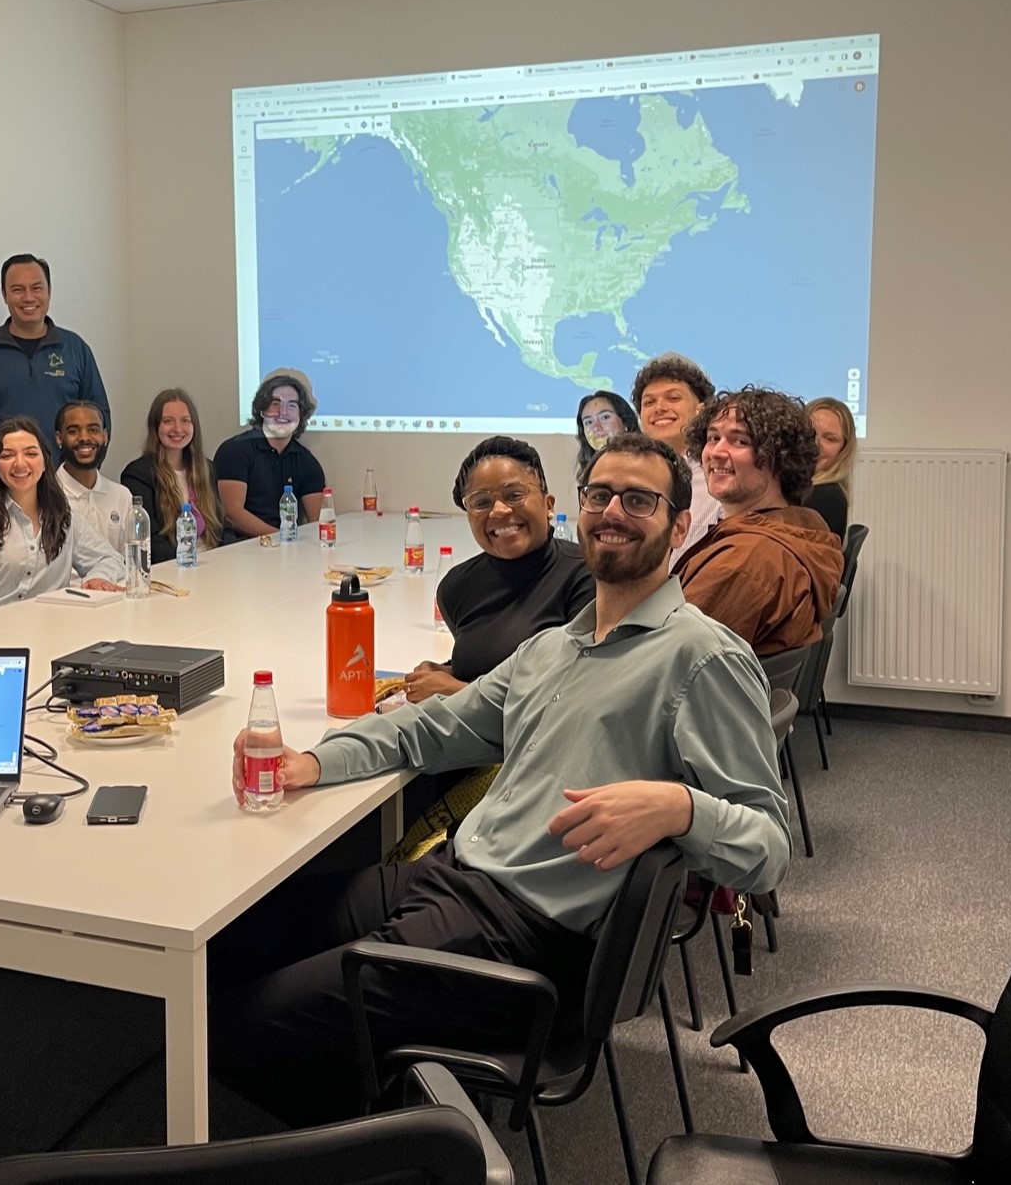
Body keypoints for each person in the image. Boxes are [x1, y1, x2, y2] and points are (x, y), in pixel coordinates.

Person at [210, 432, 790, 1129]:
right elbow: (430, 729)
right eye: (600, 495)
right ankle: (369, 1094)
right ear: (576, 509)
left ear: (676, 524)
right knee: (232, 941)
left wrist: (679, 807)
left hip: (521, 934)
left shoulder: (701, 658)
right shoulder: (554, 648)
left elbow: (765, 850)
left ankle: (391, 1149)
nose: (613, 510)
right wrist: (312, 760)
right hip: (453, 878)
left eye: (639, 499)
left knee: (237, 1028)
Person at [408, 437, 596, 704]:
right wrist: (446, 671)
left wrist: (455, 690)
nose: (499, 510)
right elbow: (489, 662)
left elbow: (573, 697)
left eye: (514, 495)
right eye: (481, 502)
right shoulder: (456, 588)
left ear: (549, 505)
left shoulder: (585, 575)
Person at [674, 387, 845, 656]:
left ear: (781, 459)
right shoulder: (803, 526)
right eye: (713, 437)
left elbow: (669, 660)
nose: (716, 452)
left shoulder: (742, 564)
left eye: (740, 441)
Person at [0, 417, 126, 621]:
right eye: (7, 455)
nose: (20, 463)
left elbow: (111, 559)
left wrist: (98, 577)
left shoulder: (65, 518)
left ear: (44, 462)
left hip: (49, 634)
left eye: (31, 453)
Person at [0, 254, 110, 448]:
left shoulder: (75, 348)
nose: (28, 297)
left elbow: (99, 417)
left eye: (36, 288)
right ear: (4, 294)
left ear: (49, 291)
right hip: (4, 473)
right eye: (18, 290)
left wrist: (83, 471)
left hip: (64, 476)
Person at [214, 367, 330, 539]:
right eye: (275, 404)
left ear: (301, 414)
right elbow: (232, 514)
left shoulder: (307, 461)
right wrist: (281, 537)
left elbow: (318, 521)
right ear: (262, 410)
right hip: (241, 549)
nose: (283, 412)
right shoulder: (234, 451)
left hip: (289, 549)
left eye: (291, 405)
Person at [631, 353, 719, 566]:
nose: (659, 408)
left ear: (702, 410)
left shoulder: (719, 476)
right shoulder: (632, 475)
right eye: (649, 402)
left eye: (673, 398)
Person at [121, 388, 225, 564]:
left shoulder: (206, 468)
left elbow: (221, 528)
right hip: (173, 567)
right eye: (168, 421)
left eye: (185, 421)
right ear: (156, 427)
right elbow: (150, 543)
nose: (178, 429)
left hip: (212, 563)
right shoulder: (138, 474)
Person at [54, 400, 134, 556]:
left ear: (105, 436)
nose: (84, 437)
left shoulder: (122, 496)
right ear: (59, 438)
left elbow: (131, 562)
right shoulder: (44, 495)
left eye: (93, 430)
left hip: (115, 580)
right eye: (73, 431)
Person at [803, 397, 857, 539]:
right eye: (810, 433)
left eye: (830, 439)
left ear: (843, 450)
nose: (816, 444)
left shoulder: (825, 498)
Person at [575, 389, 641, 482]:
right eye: (589, 422)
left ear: (625, 423)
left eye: (605, 417)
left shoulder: (647, 463)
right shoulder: (590, 474)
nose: (596, 427)